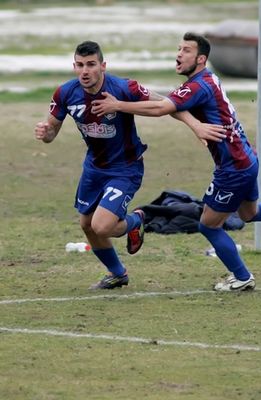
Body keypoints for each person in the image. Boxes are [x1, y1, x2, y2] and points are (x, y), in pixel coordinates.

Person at [91, 32, 261, 292]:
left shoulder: (197, 86)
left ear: (201, 58)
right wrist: (191, 122)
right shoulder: (205, 80)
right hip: (245, 158)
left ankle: (242, 277)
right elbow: (171, 104)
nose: (178, 54)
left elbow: (162, 109)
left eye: (186, 50)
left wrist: (118, 105)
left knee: (208, 225)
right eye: (178, 48)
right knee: (249, 213)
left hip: (232, 167)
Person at [34, 41, 168, 289]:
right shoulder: (65, 93)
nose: (85, 71)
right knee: (86, 225)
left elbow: (164, 104)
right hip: (94, 168)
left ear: (103, 66)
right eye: (80, 65)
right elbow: (52, 131)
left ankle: (137, 220)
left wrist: (119, 105)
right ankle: (117, 273)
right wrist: (45, 132)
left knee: (102, 226)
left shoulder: (123, 87)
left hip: (126, 168)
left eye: (91, 65)